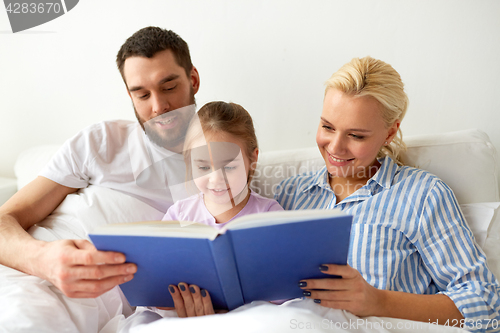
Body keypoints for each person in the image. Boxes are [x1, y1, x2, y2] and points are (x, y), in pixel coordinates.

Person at [274, 56, 500, 331]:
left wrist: (377, 301)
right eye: (327, 127)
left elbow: (486, 308)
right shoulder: (289, 194)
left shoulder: (422, 195)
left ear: (390, 132)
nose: (335, 147)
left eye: (356, 136)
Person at [0, 26, 200, 299]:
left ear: (193, 80)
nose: (158, 106)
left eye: (169, 87)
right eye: (142, 94)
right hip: (25, 273)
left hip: (98, 301)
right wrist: (43, 260)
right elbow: (4, 220)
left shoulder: (223, 168)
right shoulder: (103, 141)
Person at [161, 101, 284, 317]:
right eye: (203, 167)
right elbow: (158, 285)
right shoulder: (178, 215)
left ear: (252, 159)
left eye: (228, 167)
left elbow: (287, 289)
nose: (216, 178)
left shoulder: (269, 214)